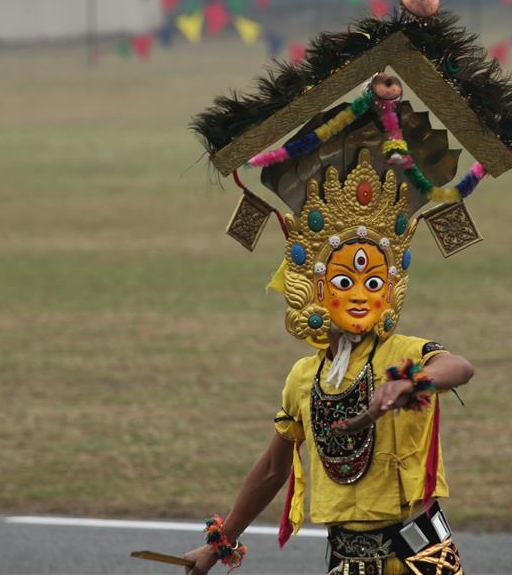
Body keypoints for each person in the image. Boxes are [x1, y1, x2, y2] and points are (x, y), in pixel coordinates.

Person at [183, 150, 473, 575]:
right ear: (314, 289)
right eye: (343, 282)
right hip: (346, 563)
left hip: (419, 561)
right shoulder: (304, 377)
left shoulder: (403, 354)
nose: (359, 295)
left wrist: (414, 383)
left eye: (372, 282)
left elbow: (460, 368)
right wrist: (219, 544)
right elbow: (271, 470)